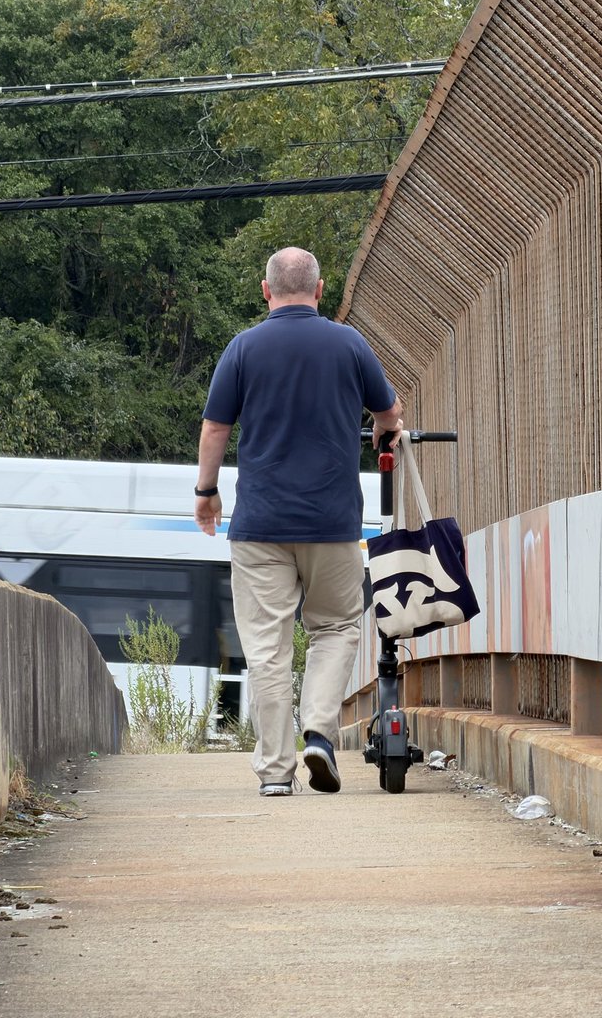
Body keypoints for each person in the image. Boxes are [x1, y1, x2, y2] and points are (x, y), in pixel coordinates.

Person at [194, 247, 404, 796]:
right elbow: (388, 413)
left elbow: (215, 428)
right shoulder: (349, 344)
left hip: (260, 524)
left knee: (267, 648)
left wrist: (206, 492)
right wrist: (385, 430)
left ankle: (275, 773)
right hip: (333, 522)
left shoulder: (243, 348)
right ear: (320, 289)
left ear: (266, 291)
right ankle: (319, 733)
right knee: (335, 628)